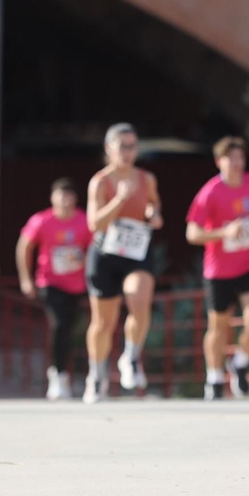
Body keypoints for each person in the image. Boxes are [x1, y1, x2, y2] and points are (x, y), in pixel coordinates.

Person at [186, 136, 249, 400]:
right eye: (230, 159)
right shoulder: (210, 192)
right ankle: (213, 377)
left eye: (240, 158)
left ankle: (240, 362)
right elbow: (192, 233)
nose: (237, 164)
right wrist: (225, 232)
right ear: (218, 162)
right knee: (218, 326)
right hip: (219, 269)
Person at [84, 123, 162, 404]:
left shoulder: (146, 178)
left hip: (136, 250)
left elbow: (153, 206)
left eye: (133, 146)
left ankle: (130, 356)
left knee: (139, 298)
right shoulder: (101, 181)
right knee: (103, 322)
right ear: (109, 149)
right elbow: (95, 222)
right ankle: (96, 375)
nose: (129, 152)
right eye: (123, 146)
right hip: (105, 253)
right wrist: (119, 198)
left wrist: (153, 214)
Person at [18, 178, 92, 401]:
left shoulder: (84, 221)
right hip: (50, 282)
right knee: (58, 325)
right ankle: (58, 374)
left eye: (69, 196)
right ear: (53, 198)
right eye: (61, 196)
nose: (65, 201)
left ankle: (78, 374)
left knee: (72, 329)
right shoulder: (41, 220)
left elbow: (95, 248)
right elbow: (24, 247)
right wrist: (26, 279)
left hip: (79, 284)